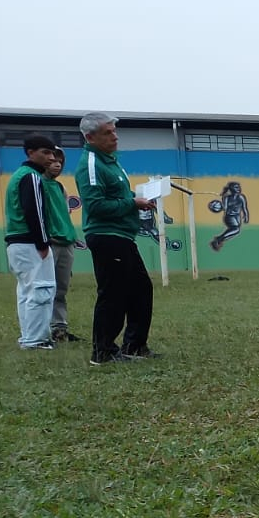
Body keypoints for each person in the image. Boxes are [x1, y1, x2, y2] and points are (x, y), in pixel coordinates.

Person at [76, 112, 159, 365]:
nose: (115, 136)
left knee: (141, 289)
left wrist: (137, 199)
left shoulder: (111, 162)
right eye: (108, 133)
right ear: (90, 137)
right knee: (113, 294)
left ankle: (134, 345)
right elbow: (96, 205)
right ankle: (102, 352)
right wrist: (132, 202)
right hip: (106, 235)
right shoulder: (91, 164)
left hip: (122, 236)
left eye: (114, 131)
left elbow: (118, 195)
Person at [3, 135, 58, 350]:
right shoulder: (31, 177)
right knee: (41, 290)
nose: (51, 157)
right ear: (30, 152)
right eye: (45, 152)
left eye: (52, 153)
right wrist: (43, 243)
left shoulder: (18, 176)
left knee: (26, 292)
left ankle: (29, 337)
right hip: (30, 242)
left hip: (17, 243)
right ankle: (36, 341)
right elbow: (34, 211)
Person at [44, 146, 83, 342]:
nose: (57, 164)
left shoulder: (60, 187)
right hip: (49, 242)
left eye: (60, 161)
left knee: (61, 288)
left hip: (66, 241)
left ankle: (59, 328)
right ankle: (40, 331)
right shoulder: (37, 183)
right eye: (52, 160)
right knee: (44, 288)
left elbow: (65, 215)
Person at [210, 181, 248, 251]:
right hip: (229, 217)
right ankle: (219, 239)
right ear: (231, 188)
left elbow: (244, 207)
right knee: (236, 229)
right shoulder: (227, 198)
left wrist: (246, 216)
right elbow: (225, 208)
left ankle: (219, 240)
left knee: (235, 229)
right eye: (236, 187)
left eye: (239, 187)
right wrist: (222, 200)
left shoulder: (241, 197)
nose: (239, 188)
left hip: (237, 217)